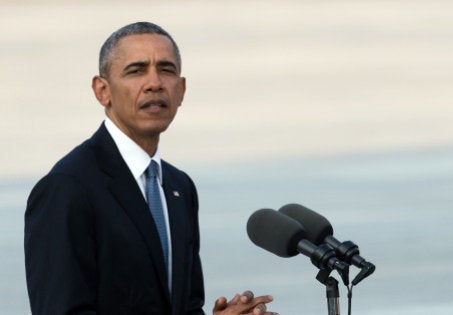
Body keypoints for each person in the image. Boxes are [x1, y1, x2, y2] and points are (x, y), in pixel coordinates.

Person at [24, 21, 277, 315]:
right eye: (136, 70)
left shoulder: (179, 186)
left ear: (181, 90)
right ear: (102, 90)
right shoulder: (68, 187)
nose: (155, 82)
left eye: (166, 70)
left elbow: (184, 307)